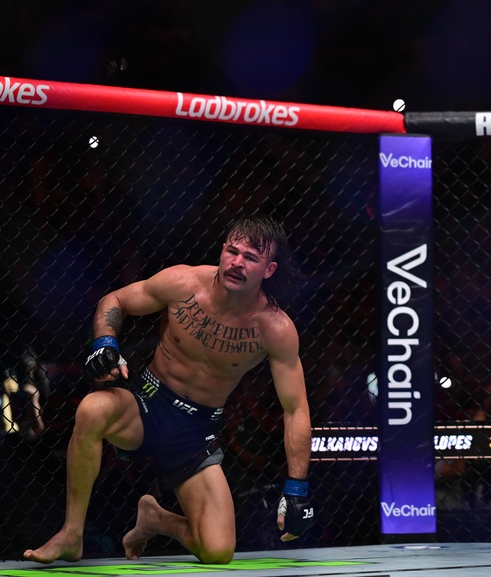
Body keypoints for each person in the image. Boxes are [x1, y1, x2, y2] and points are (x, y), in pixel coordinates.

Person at [24, 214, 314, 564]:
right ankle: (71, 534)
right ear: (222, 251)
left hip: (195, 434)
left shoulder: (275, 328)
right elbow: (115, 301)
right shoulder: (183, 282)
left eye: (250, 258)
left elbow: (295, 408)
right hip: (147, 405)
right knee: (92, 409)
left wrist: (296, 489)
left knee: (218, 551)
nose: (237, 263)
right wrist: (104, 343)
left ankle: (157, 519)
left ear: (268, 270)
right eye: (232, 252)